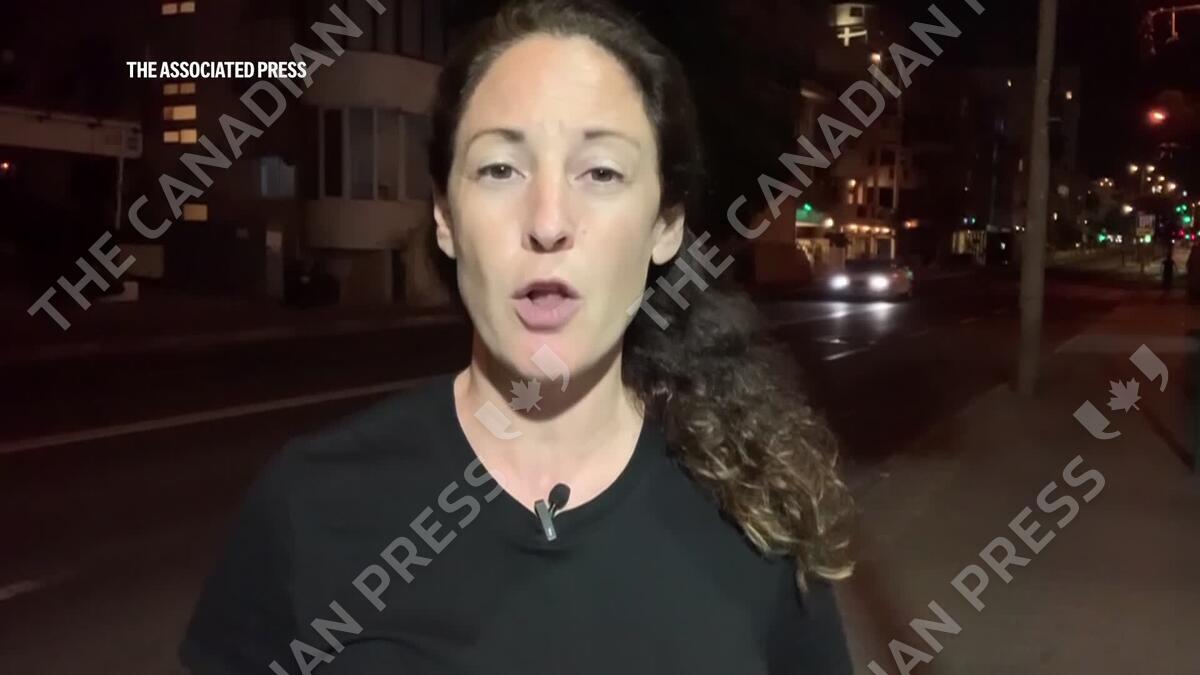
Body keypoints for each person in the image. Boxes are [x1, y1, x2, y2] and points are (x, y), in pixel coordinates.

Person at [178, 1, 856, 673]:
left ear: (664, 227)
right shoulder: (309, 504)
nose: (548, 221)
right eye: (500, 169)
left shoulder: (759, 522)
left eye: (601, 172)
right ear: (445, 216)